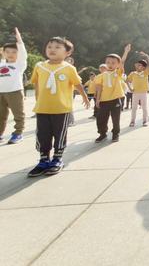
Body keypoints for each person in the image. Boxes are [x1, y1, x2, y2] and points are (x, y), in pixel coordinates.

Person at [28, 37, 90, 177]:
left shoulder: (69, 68)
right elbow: (36, 83)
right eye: (49, 47)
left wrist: (85, 97)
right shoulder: (40, 66)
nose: (52, 49)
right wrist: (38, 100)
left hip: (61, 109)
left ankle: (57, 158)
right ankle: (43, 160)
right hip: (42, 108)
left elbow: (77, 84)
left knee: (59, 134)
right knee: (42, 135)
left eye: (57, 47)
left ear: (67, 53)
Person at [94, 44, 131, 142]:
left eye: (113, 63)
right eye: (108, 62)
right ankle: (102, 134)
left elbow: (122, 61)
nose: (110, 64)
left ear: (118, 65)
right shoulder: (101, 75)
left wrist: (126, 51)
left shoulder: (118, 73)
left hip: (115, 100)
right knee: (100, 119)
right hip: (103, 101)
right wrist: (97, 100)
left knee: (115, 119)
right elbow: (99, 88)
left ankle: (115, 134)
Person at [0, 28, 27, 144]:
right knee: (1, 115)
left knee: (18, 114)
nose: (11, 54)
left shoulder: (19, 64)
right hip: (1, 93)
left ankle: (18, 133)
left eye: (14, 52)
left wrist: (19, 40)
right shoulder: (1, 64)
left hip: (15, 92)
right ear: (3, 53)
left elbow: (23, 53)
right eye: (8, 52)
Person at [127, 52, 149, 127]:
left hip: (143, 92)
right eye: (138, 65)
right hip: (135, 93)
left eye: (140, 65)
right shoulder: (133, 73)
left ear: (144, 67)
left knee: (144, 107)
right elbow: (127, 81)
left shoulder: (145, 73)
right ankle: (132, 121)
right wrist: (130, 88)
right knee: (134, 108)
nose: (138, 66)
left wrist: (147, 56)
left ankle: (144, 121)